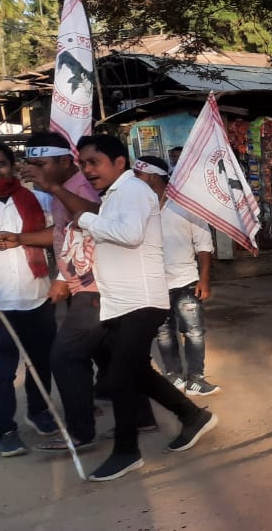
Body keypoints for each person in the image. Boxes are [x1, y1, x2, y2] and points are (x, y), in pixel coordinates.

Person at [42, 134, 217, 481]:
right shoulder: (115, 195)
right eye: (83, 164)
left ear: (119, 162)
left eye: (94, 162)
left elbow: (130, 233)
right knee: (137, 372)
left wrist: (85, 221)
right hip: (120, 302)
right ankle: (194, 417)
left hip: (141, 301)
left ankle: (126, 451)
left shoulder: (134, 190)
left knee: (120, 376)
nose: (87, 170)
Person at [0, 132, 105, 452]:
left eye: (40, 164)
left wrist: (60, 278)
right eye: (30, 164)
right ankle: (155, 415)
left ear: (64, 162)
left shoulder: (79, 189)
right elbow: (60, 234)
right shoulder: (61, 191)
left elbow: (96, 225)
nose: (32, 171)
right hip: (81, 286)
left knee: (64, 355)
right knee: (110, 355)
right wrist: (21, 238)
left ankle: (81, 432)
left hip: (93, 286)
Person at [0, 140, 59, 457]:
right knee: (3, 369)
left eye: (0, 164)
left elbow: (62, 237)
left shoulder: (38, 198)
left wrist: (61, 279)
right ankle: (5, 429)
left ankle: (39, 412)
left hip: (38, 297)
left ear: (11, 165)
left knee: (42, 361)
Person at [133, 155, 220, 397]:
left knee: (193, 331)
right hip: (154, 281)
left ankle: (196, 378)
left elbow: (203, 244)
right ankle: (173, 375)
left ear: (152, 176)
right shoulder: (140, 206)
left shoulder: (187, 205)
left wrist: (204, 279)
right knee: (162, 331)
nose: (135, 180)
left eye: (139, 175)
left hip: (185, 280)